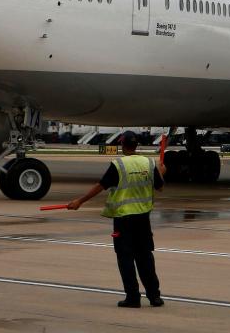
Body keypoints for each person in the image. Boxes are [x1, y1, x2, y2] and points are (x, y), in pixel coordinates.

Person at [66, 131, 166, 308]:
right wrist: (162, 172)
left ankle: (133, 297)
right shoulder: (148, 163)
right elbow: (160, 188)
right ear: (136, 145)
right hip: (143, 218)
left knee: (125, 258)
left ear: (122, 145)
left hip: (123, 218)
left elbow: (101, 186)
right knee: (145, 257)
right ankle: (154, 297)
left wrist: (80, 201)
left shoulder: (118, 164)